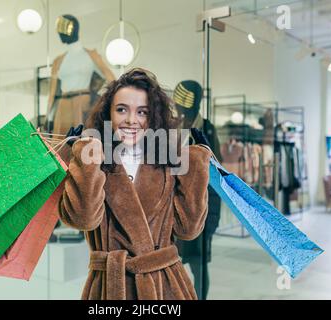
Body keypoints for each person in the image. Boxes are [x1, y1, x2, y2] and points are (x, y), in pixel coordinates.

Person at [59, 68, 213, 300]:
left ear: (153, 118)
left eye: (142, 112)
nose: (132, 120)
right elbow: (83, 219)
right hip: (110, 287)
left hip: (164, 287)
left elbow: (188, 230)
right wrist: (83, 158)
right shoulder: (95, 162)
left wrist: (197, 163)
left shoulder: (169, 162)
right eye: (122, 110)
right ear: (108, 114)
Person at [172, 80, 222, 300]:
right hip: (175, 209)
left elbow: (216, 175)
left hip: (200, 209)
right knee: (173, 266)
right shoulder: (174, 127)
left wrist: (211, 219)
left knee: (198, 266)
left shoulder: (207, 129)